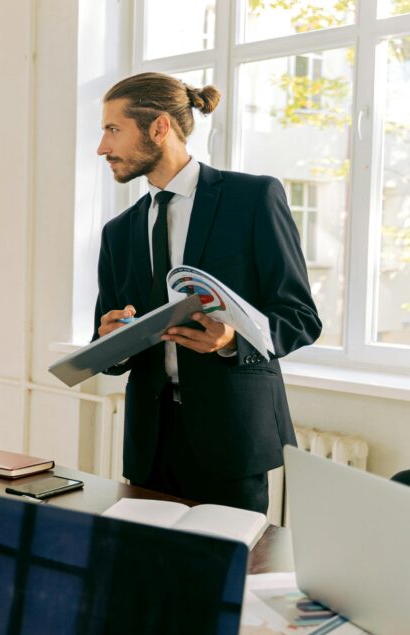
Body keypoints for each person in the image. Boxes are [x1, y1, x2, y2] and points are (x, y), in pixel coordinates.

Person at [93, 73, 322, 514]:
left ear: (159, 128)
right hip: (150, 446)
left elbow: (299, 317)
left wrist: (233, 339)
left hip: (231, 439)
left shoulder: (252, 198)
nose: (102, 147)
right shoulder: (117, 233)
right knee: (152, 573)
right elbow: (108, 348)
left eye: (112, 129)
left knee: (228, 576)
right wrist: (110, 341)